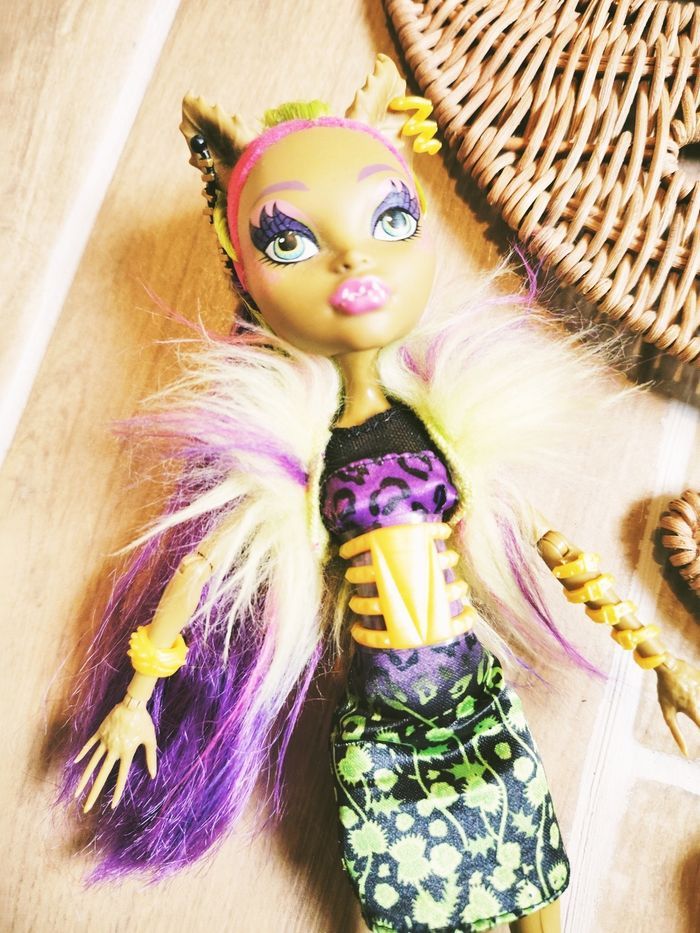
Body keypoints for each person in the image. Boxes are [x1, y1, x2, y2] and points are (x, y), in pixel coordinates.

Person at [65, 55, 700, 932]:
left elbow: (554, 548)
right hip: (382, 711)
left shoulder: (453, 426)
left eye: (391, 218)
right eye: (289, 241)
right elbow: (204, 567)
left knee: (529, 874)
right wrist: (138, 697)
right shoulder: (295, 453)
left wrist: (656, 656)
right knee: (401, 894)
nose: (354, 256)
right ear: (243, 267)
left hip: (471, 689)